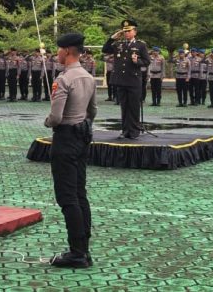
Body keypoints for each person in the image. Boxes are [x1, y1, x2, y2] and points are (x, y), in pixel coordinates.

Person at [45, 32, 97, 269]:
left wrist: (47, 122)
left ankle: (76, 253)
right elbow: (92, 111)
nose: (57, 54)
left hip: (65, 138)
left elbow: (56, 117)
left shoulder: (64, 79)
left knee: (67, 197)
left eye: (59, 50)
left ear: (66, 51)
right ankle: (84, 249)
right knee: (79, 193)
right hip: (83, 137)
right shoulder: (88, 76)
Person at [102, 19, 150, 139]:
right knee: (124, 106)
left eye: (129, 31)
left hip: (133, 80)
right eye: (125, 31)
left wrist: (137, 61)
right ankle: (125, 130)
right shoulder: (119, 44)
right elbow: (105, 49)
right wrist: (113, 37)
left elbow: (147, 61)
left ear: (135, 32)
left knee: (133, 107)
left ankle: (133, 131)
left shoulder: (140, 45)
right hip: (121, 80)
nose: (126, 33)